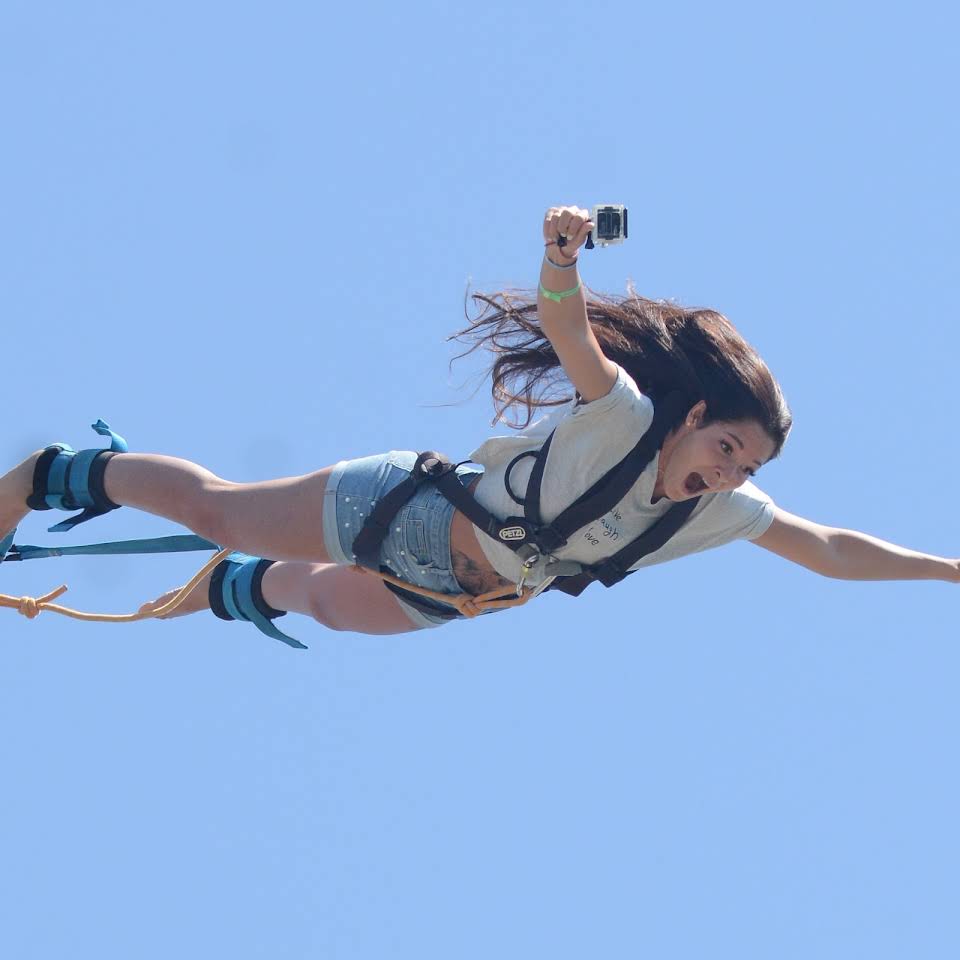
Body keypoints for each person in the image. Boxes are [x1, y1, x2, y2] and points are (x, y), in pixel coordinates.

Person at [2, 206, 957, 641]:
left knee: (324, 605)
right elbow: (568, 330)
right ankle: (55, 472)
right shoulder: (623, 418)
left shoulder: (719, 513)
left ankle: (235, 590)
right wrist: (560, 260)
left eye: (746, 468)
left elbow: (830, 549)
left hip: (461, 594)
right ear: (694, 416)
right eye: (727, 447)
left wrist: (948, 569)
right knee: (220, 511)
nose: (731, 474)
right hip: (408, 509)